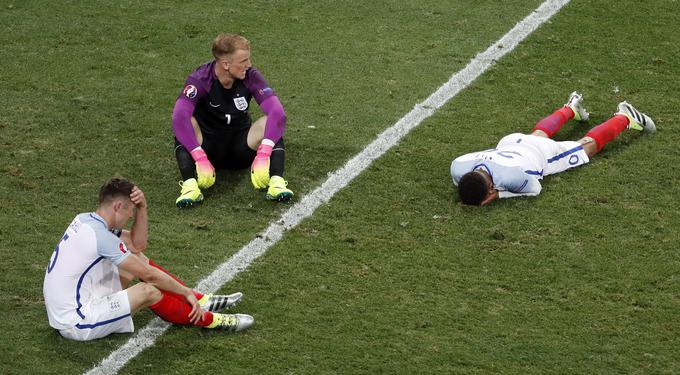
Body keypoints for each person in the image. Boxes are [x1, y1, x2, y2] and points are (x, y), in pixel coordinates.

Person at [43, 177, 254, 341]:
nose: (131, 217)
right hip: (76, 322)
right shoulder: (101, 237)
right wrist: (184, 291)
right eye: (131, 211)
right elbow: (148, 275)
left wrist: (143, 208)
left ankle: (201, 301)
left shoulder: (85, 219)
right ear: (117, 206)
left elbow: (137, 245)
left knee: (133, 256)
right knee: (148, 291)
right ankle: (212, 321)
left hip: (76, 302)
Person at [450, 92, 656, 205]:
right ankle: (569, 108)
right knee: (537, 135)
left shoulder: (512, 178)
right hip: (511, 142)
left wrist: (501, 195)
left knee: (585, 148)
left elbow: (535, 189)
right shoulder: (458, 166)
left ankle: (625, 116)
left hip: (541, 155)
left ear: (490, 189)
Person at [172, 33, 293, 208]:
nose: (249, 65)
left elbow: (277, 113)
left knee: (271, 123)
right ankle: (190, 186)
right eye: (243, 61)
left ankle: (276, 182)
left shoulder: (251, 76)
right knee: (185, 122)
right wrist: (199, 156)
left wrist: (264, 152)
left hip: (241, 147)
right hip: (208, 147)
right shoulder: (200, 79)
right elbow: (179, 117)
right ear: (226, 64)